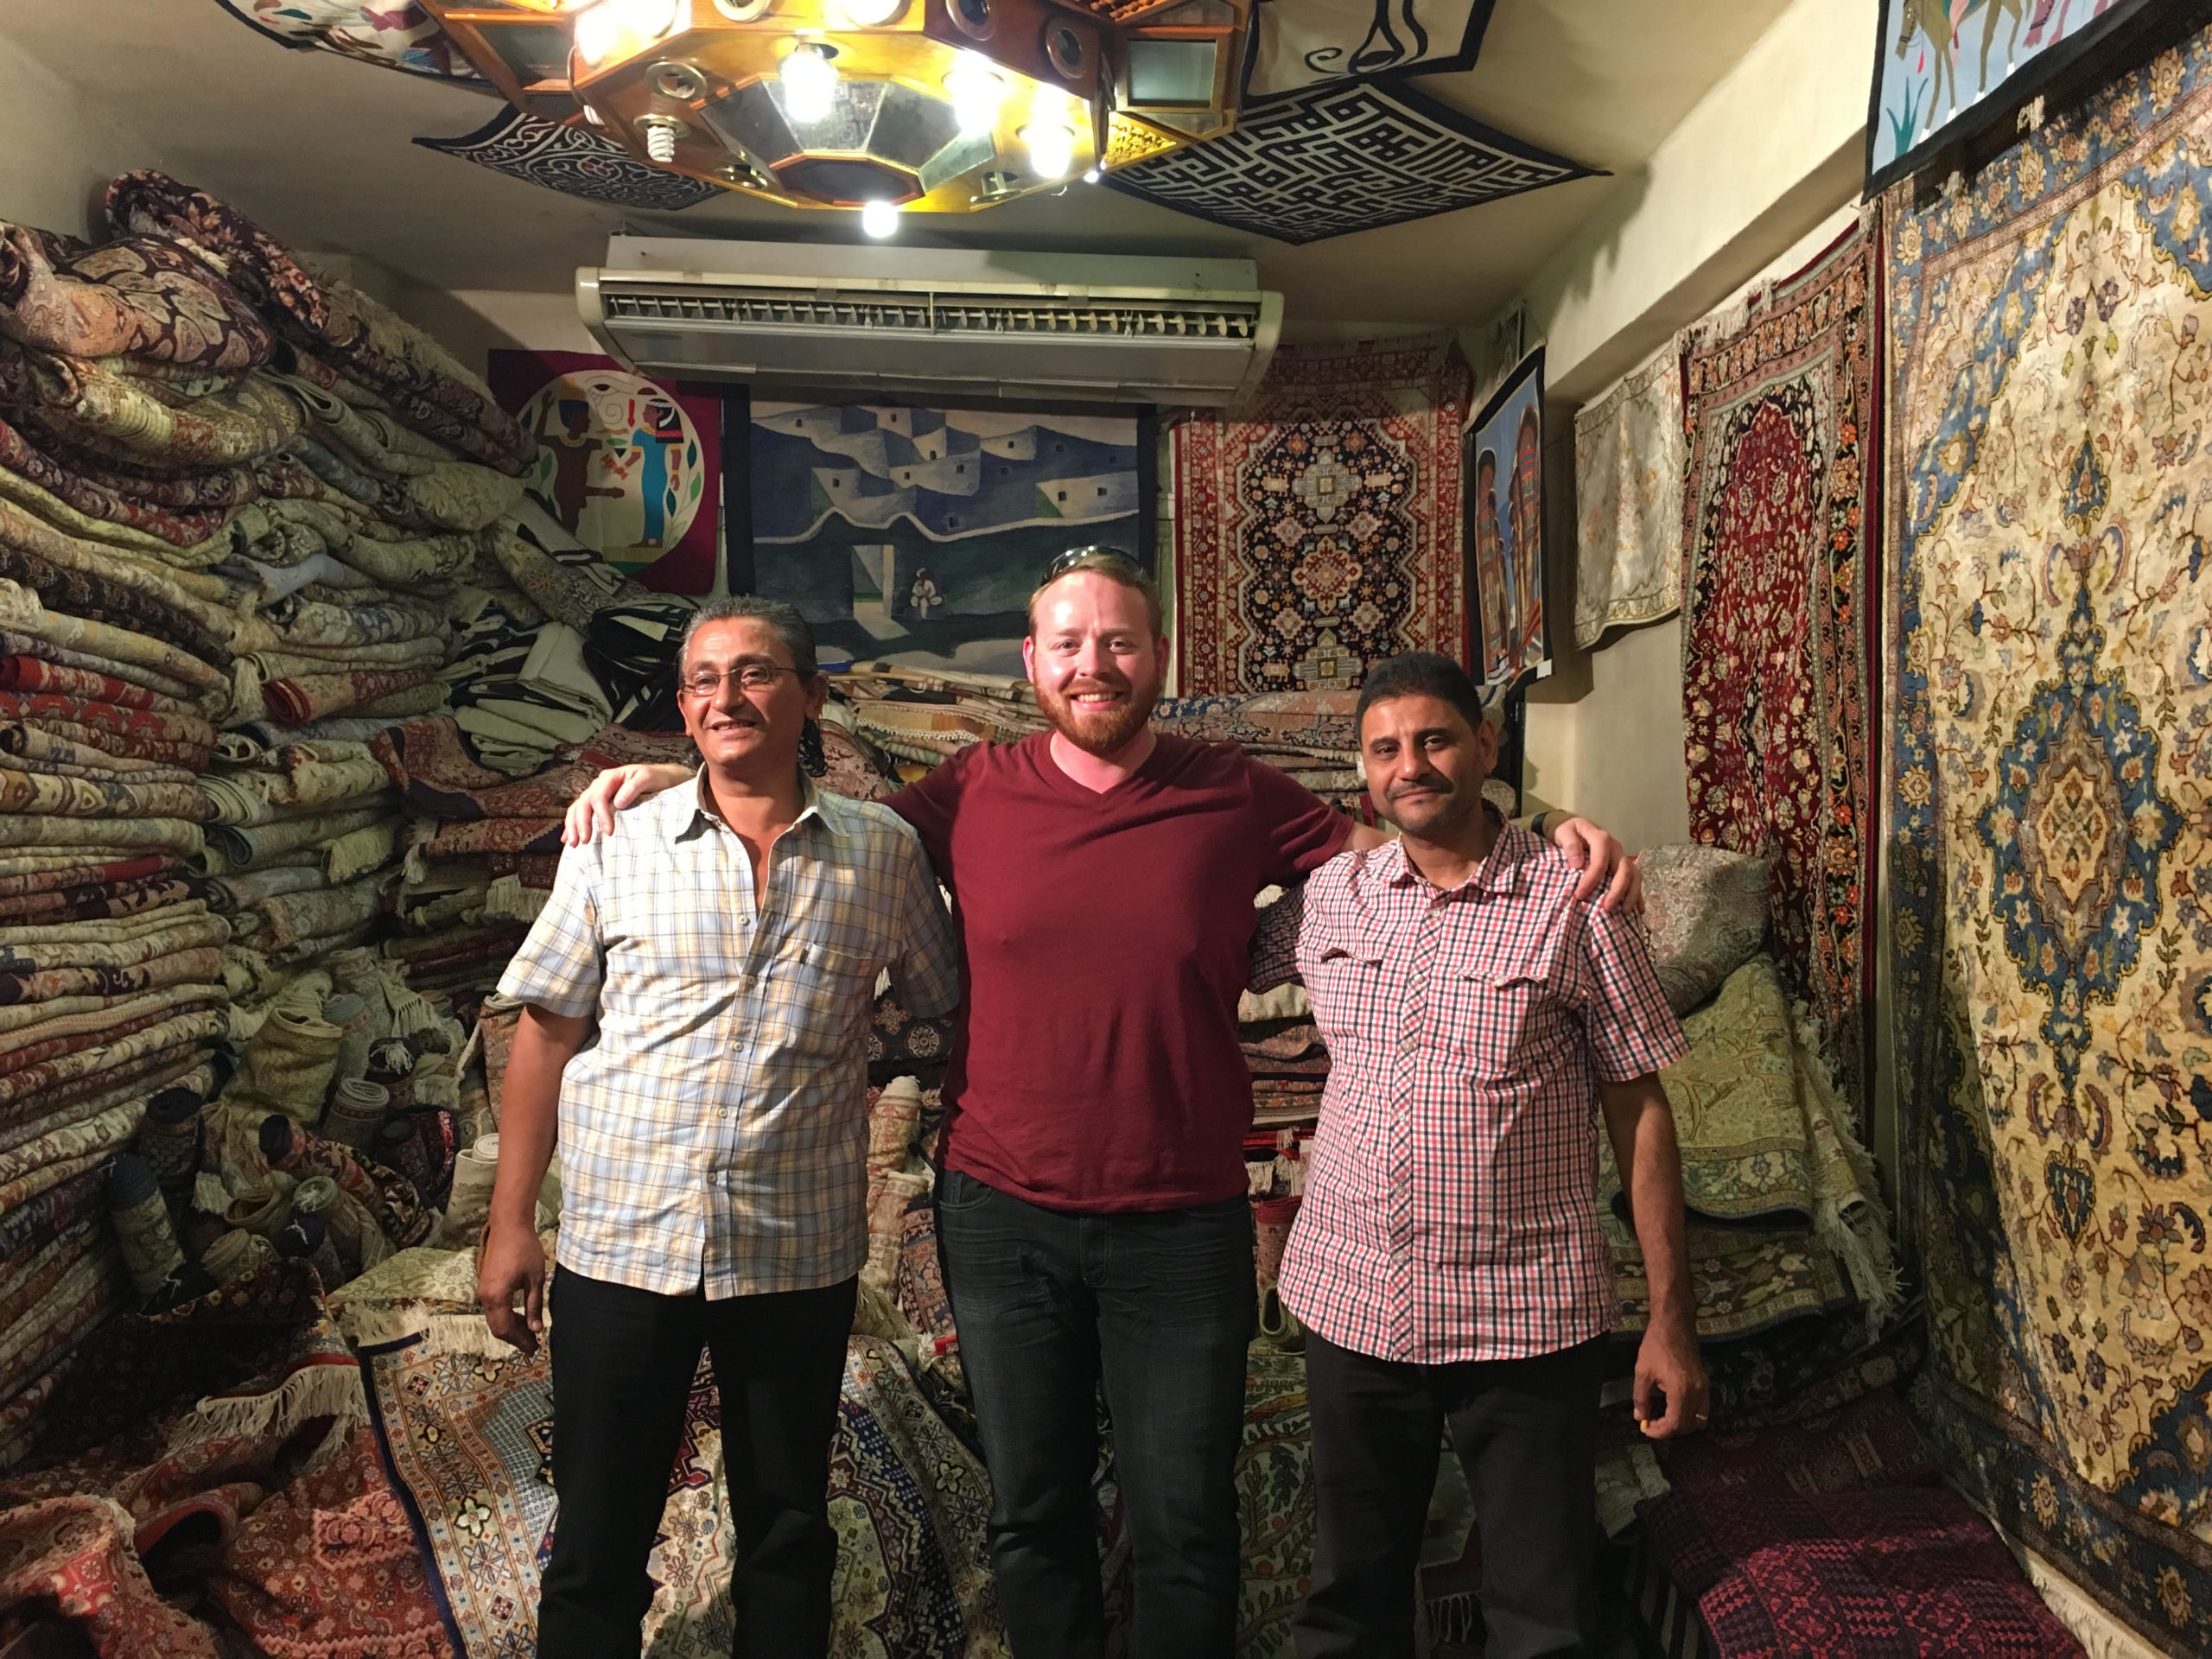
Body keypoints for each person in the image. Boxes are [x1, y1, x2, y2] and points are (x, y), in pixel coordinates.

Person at [561, 549, 1642, 1658]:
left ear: (1158, 656)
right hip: (999, 1215)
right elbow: (813, 826)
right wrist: (665, 780)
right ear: (1032, 661)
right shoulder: (968, 790)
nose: (1094, 665)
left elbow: (1417, 848)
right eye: (1069, 644)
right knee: (1033, 1516)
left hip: (1181, 1223)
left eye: (1118, 642)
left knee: (1185, 1523)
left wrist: (1557, 836)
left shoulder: (1233, 791)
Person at [478, 595, 962, 1659]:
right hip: (623, 1243)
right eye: (703, 679)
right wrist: (509, 1223)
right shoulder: (616, 840)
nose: (725, 697)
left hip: (796, 1249)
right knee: (597, 1537)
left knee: (787, 1533)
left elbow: (943, 1003)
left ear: (812, 696)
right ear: (684, 705)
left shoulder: (881, 854)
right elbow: (546, 1034)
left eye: (753, 673)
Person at [1248, 652, 1706, 1659]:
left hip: (1522, 1319)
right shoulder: (1331, 898)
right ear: (1363, 773)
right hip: (1352, 1305)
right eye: (1384, 750)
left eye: (1434, 740)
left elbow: (1639, 1107)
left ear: (1486, 745)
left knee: (1542, 1617)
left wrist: (1669, 1321)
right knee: (1348, 1607)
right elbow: (1191, 944)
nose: (1410, 766)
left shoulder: (1575, 900)